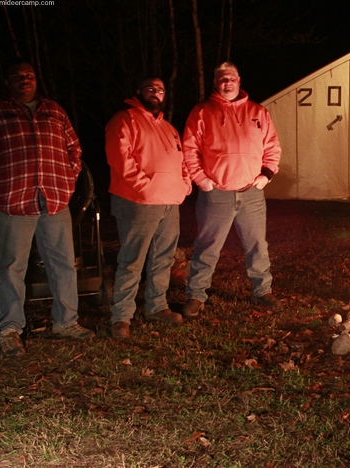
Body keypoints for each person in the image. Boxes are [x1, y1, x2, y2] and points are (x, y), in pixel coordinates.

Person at [0, 60, 94, 357]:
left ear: (36, 80)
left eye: (30, 75)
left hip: (55, 201)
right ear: (8, 82)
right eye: (18, 76)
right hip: (13, 203)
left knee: (63, 264)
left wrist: (69, 179)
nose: (25, 80)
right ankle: (9, 330)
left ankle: (66, 322)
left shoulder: (54, 111)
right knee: (10, 268)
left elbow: (74, 148)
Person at [181, 62, 282, 318]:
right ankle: (196, 294)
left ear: (239, 80)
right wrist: (201, 179)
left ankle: (263, 290)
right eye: (222, 79)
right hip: (216, 194)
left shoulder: (258, 112)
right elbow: (189, 149)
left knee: (257, 244)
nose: (228, 82)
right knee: (207, 246)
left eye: (232, 78)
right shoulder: (202, 112)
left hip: (251, 193)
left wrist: (266, 175)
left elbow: (272, 147)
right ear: (216, 83)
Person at [105, 77, 192, 340]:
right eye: (151, 89)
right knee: (132, 260)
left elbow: (182, 160)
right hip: (138, 202)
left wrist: (184, 185)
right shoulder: (125, 119)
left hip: (170, 202)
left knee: (163, 258)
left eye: (161, 90)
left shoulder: (168, 128)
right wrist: (145, 186)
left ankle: (157, 306)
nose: (156, 93)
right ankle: (121, 316)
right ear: (138, 92)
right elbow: (119, 158)